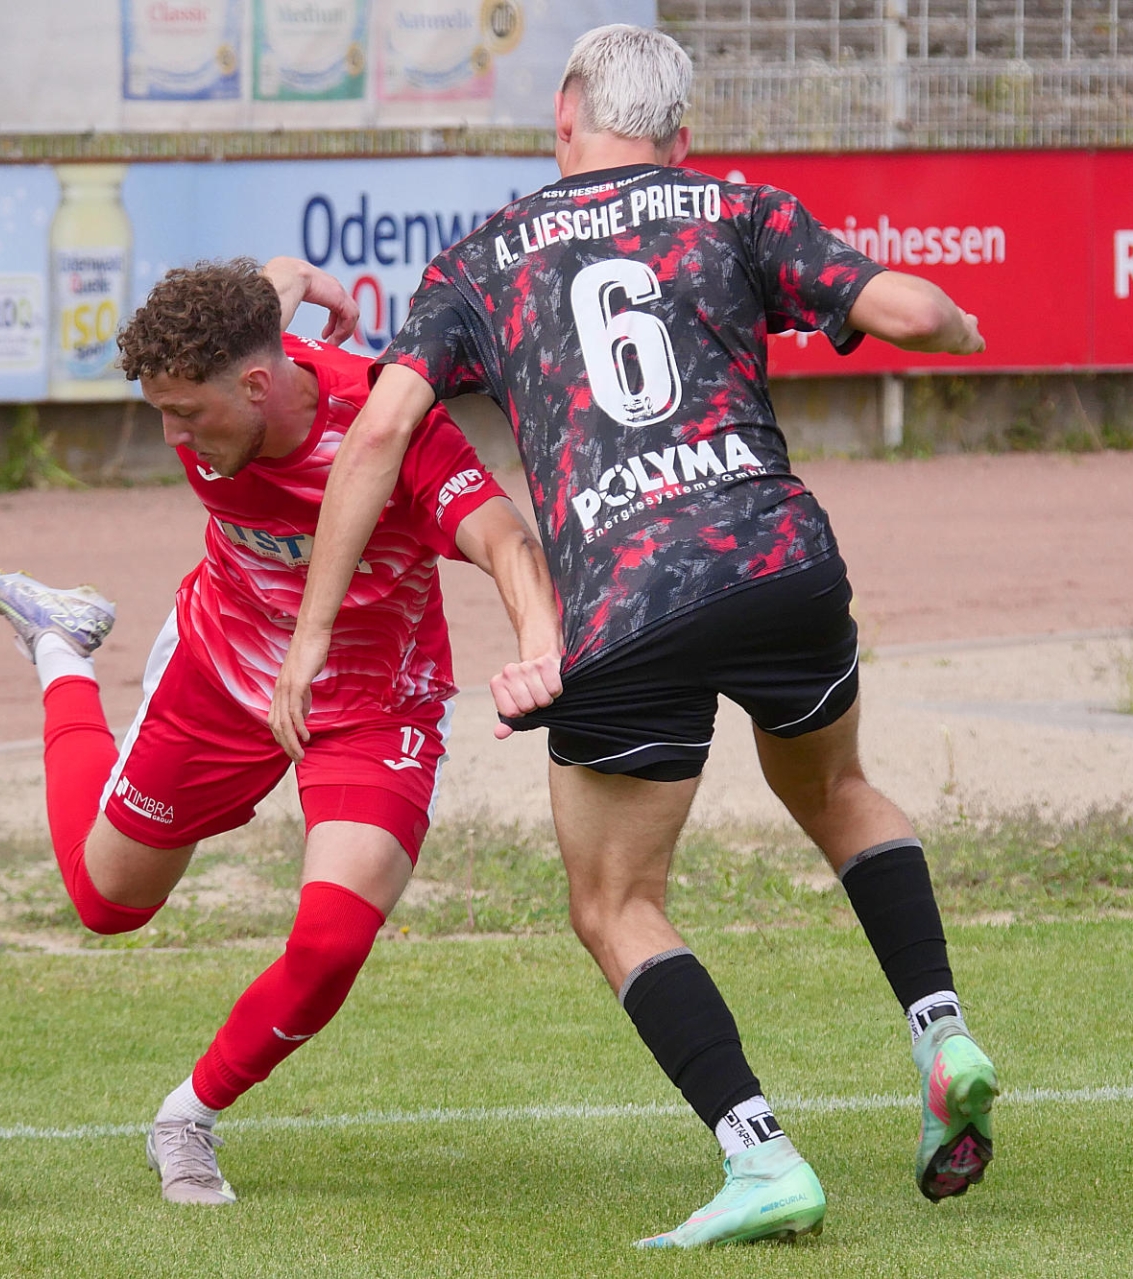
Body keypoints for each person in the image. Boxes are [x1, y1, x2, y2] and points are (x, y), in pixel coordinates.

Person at [271, 25, 998, 1249]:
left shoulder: (484, 257)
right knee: (838, 789)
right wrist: (960, 328)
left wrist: (310, 636)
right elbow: (912, 310)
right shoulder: (736, 207)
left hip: (626, 602)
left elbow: (381, 435)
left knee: (614, 899)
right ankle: (942, 1032)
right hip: (780, 564)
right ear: (680, 136)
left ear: (564, 117)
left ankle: (759, 1154)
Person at [0, 256, 558, 1206]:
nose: (174, 438)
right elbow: (267, 291)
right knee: (107, 903)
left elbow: (508, 539)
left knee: (330, 940)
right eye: (161, 413)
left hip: (375, 699)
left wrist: (538, 653)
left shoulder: (388, 424)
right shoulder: (233, 363)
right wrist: (293, 275)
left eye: (186, 414)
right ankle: (61, 648)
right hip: (221, 662)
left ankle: (187, 1117)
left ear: (258, 383)